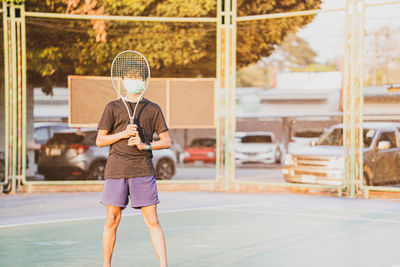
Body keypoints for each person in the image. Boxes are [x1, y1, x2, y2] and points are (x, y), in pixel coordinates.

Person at [96, 65, 170, 267]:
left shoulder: (153, 108)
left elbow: (166, 141)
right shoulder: (112, 107)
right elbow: (100, 141)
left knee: (152, 220)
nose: (134, 80)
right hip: (116, 169)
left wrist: (144, 145)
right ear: (122, 80)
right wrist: (122, 134)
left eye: (137, 77)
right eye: (130, 76)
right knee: (111, 219)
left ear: (144, 81)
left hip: (142, 170)